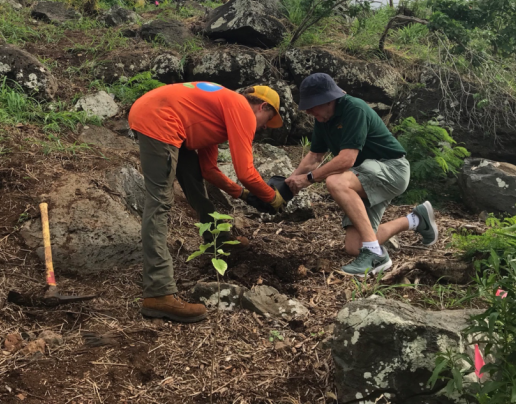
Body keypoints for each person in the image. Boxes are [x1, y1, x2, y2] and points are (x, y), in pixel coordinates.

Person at [128, 82, 286, 323]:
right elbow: (245, 172)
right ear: (262, 106)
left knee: (195, 185)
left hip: (163, 116)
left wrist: (242, 195)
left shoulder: (217, 110)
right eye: (267, 119)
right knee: (159, 202)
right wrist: (272, 197)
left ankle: (218, 238)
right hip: (159, 119)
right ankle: (158, 292)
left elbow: (209, 170)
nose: (264, 127)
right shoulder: (242, 109)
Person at [285, 73, 438, 277]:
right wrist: (291, 181)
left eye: (312, 106)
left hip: (391, 170)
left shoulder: (353, 109)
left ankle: (375, 254)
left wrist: (309, 179)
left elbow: (347, 159)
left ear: (328, 100)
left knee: (336, 181)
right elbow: (314, 156)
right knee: (354, 247)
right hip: (363, 177)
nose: (310, 112)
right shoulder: (323, 120)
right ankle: (416, 220)